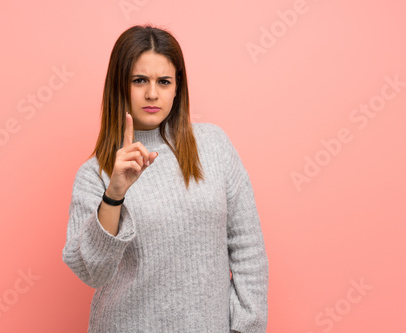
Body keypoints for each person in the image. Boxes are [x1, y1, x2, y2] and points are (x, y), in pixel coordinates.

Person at [62, 24, 269, 333]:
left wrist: (247, 327)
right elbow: (92, 271)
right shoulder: (96, 173)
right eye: (139, 80)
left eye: (164, 81)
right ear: (119, 86)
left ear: (177, 87)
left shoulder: (213, 145)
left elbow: (247, 249)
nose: (152, 93)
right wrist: (115, 192)